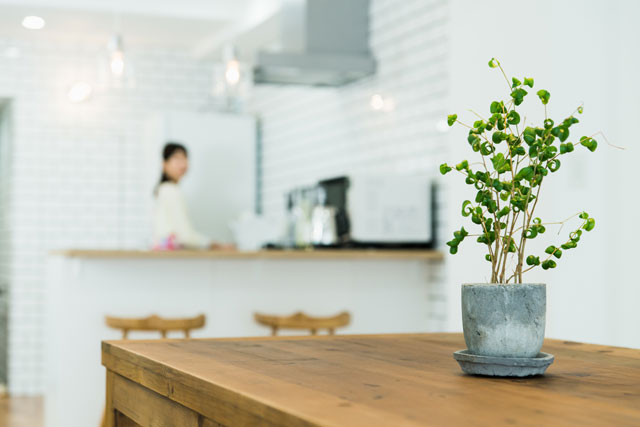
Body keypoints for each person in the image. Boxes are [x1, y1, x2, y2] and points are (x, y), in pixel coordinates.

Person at [153, 142, 229, 250]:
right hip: (171, 256)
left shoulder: (165, 189)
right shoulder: (169, 190)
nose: (183, 164)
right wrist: (214, 245)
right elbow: (184, 235)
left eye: (185, 158)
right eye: (177, 159)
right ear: (164, 164)